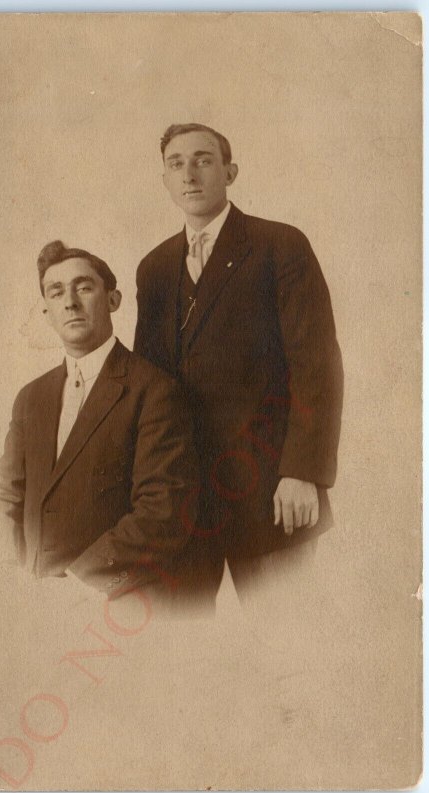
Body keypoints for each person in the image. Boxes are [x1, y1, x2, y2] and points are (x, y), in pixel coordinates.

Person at [134, 123, 344, 610]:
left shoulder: (279, 245)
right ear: (165, 180)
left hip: (271, 494)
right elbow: (150, 385)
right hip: (183, 505)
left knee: (287, 646)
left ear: (229, 171)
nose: (190, 173)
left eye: (204, 159)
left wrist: (302, 472)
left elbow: (316, 366)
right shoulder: (154, 268)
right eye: (176, 163)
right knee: (182, 657)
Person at [0, 240, 198, 604]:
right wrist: (13, 577)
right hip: (30, 600)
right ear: (46, 312)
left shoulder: (154, 389)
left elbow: (162, 510)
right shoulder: (30, 398)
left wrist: (77, 582)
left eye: (83, 287)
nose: (69, 301)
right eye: (55, 293)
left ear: (113, 300)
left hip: (111, 603)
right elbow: (6, 497)